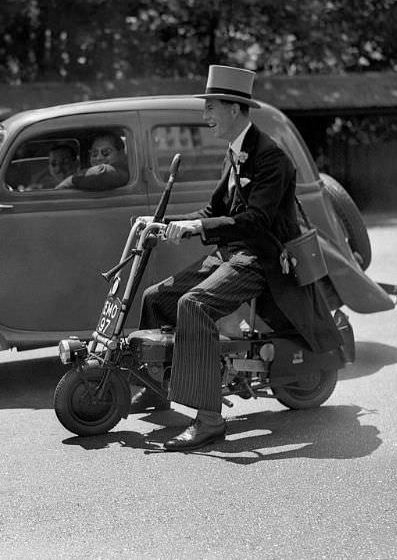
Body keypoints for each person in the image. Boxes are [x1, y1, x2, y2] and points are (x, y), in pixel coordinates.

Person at [136, 65, 342, 451]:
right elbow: (214, 210)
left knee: (193, 305)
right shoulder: (233, 155)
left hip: (261, 260)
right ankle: (156, 387)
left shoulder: (271, 158)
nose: (205, 117)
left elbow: (256, 221)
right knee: (156, 298)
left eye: (211, 108)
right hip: (231, 254)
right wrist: (168, 224)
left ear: (233, 109)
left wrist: (199, 230)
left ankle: (209, 420)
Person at [56, 132, 129, 190]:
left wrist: (69, 181)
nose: (99, 158)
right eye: (94, 153)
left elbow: (100, 173)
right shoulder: (88, 180)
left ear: (121, 153)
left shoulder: (120, 172)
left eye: (106, 152)